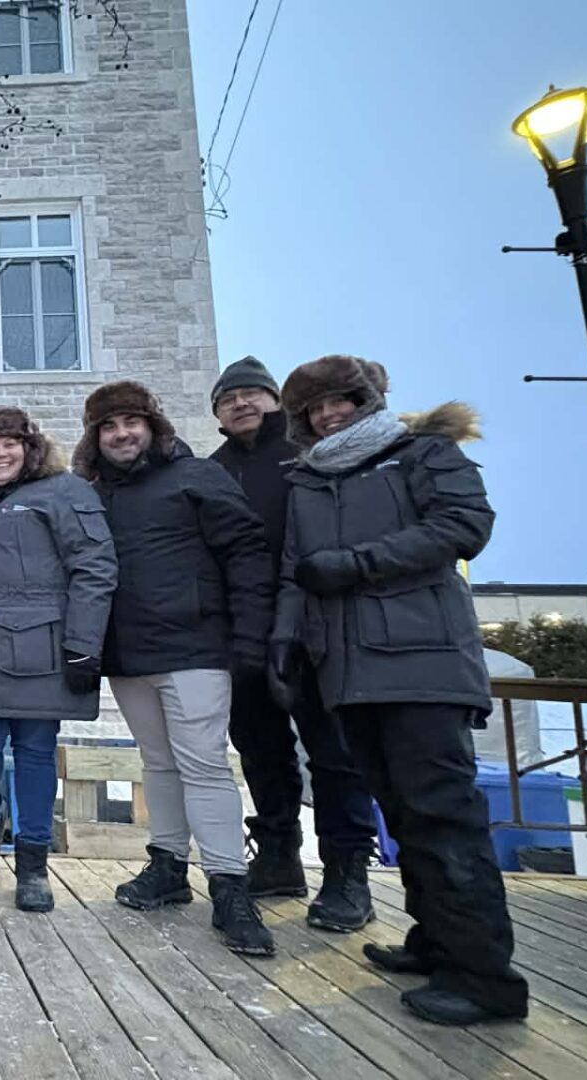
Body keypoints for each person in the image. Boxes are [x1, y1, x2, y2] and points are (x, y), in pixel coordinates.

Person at [275, 354, 529, 1026]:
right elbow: (296, 571)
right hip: (348, 670)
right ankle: (436, 939)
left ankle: (485, 976)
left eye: (340, 401)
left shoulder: (423, 453)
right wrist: (285, 641)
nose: (329, 415)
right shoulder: (310, 480)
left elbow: (464, 526)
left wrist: (358, 564)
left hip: (423, 662)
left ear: (367, 400)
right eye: (315, 408)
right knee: (403, 812)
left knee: (443, 814)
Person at [73, 380, 276, 957]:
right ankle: (168, 864)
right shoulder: (93, 495)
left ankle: (230, 885)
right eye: (109, 426)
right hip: (128, 654)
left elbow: (246, 552)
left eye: (131, 422)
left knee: (204, 765)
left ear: (152, 427)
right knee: (157, 763)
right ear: (96, 437)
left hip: (194, 648)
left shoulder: (197, 477)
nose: (121, 434)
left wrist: (251, 636)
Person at [209, 356, 377, 931]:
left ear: (278, 401)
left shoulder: (312, 455)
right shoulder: (213, 470)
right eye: (228, 398)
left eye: (252, 393)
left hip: (317, 625)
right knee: (260, 749)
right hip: (242, 631)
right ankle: (279, 853)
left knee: (333, 753)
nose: (240, 403)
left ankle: (348, 871)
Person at [0, 408, 116, 912]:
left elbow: (95, 565)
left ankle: (33, 863)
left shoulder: (64, 491)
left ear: (30, 448)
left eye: (10, 444)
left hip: (40, 650)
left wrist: (84, 643)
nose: (0, 454)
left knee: (35, 754)